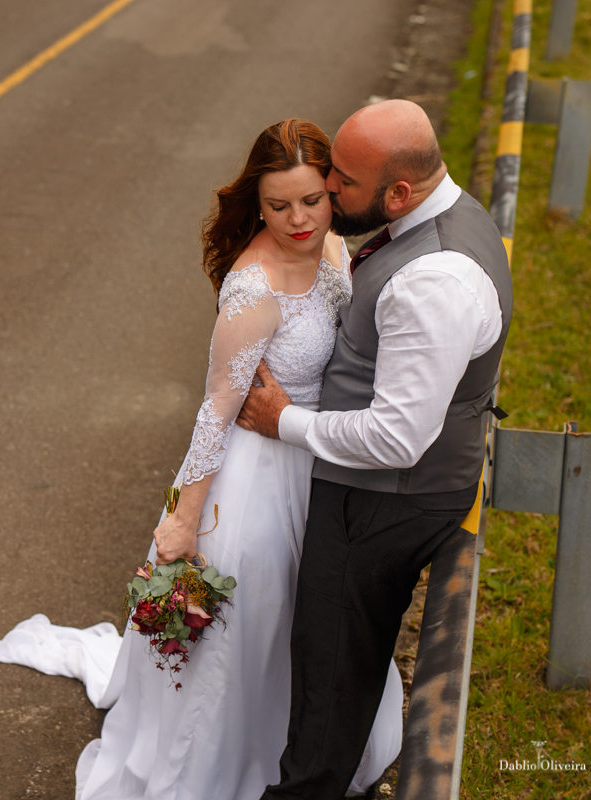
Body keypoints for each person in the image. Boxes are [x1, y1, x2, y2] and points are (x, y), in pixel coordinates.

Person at [0, 119, 403, 800]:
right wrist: (182, 521)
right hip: (255, 478)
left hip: (315, 458)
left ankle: (312, 746)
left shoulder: (331, 246)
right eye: (278, 206)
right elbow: (215, 412)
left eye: (312, 200)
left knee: (310, 618)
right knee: (250, 624)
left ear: (331, 191)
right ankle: (226, 762)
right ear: (256, 204)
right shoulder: (252, 290)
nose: (299, 220)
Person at [237, 100, 513, 800]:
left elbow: (396, 438)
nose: (328, 189)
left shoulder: (432, 283)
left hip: (383, 502)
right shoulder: (445, 213)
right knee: (338, 662)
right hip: (385, 488)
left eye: (344, 182)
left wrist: (284, 420)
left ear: (399, 192)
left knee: (329, 670)